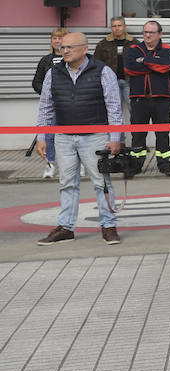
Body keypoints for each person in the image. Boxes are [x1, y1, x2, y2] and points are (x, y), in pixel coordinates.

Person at [34, 31, 124, 246]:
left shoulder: (103, 72)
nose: (64, 51)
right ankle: (66, 227)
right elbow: (45, 107)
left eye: (69, 47)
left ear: (84, 49)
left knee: (101, 182)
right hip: (64, 137)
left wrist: (115, 137)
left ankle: (109, 226)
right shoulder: (53, 73)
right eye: (62, 47)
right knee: (66, 183)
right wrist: (41, 136)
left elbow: (114, 107)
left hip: (96, 136)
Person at [125, 20, 170, 177]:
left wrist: (144, 61)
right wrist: (154, 65)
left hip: (161, 99)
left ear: (160, 34)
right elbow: (129, 68)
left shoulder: (168, 50)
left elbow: (166, 66)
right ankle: (136, 164)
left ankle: (164, 164)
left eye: (151, 32)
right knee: (138, 133)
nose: (147, 35)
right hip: (139, 99)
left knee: (162, 133)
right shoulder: (134, 49)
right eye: (145, 32)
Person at [33, 26, 67, 179]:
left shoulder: (73, 58)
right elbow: (36, 82)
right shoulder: (45, 60)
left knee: (74, 134)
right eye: (54, 38)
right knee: (49, 136)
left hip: (70, 104)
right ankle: (50, 164)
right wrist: (47, 93)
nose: (57, 41)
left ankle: (77, 164)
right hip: (52, 106)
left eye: (60, 38)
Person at [92, 16, 135, 123]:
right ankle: (119, 139)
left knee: (134, 111)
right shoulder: (103, 44)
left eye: (119, 25)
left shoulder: (134, 43)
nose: (117, 28)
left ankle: (137, 138)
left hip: (130, 81)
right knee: (114, 112)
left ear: (125, 26)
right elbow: (96, 64)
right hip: (110, 83)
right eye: (114, 26)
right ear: (111, 28)